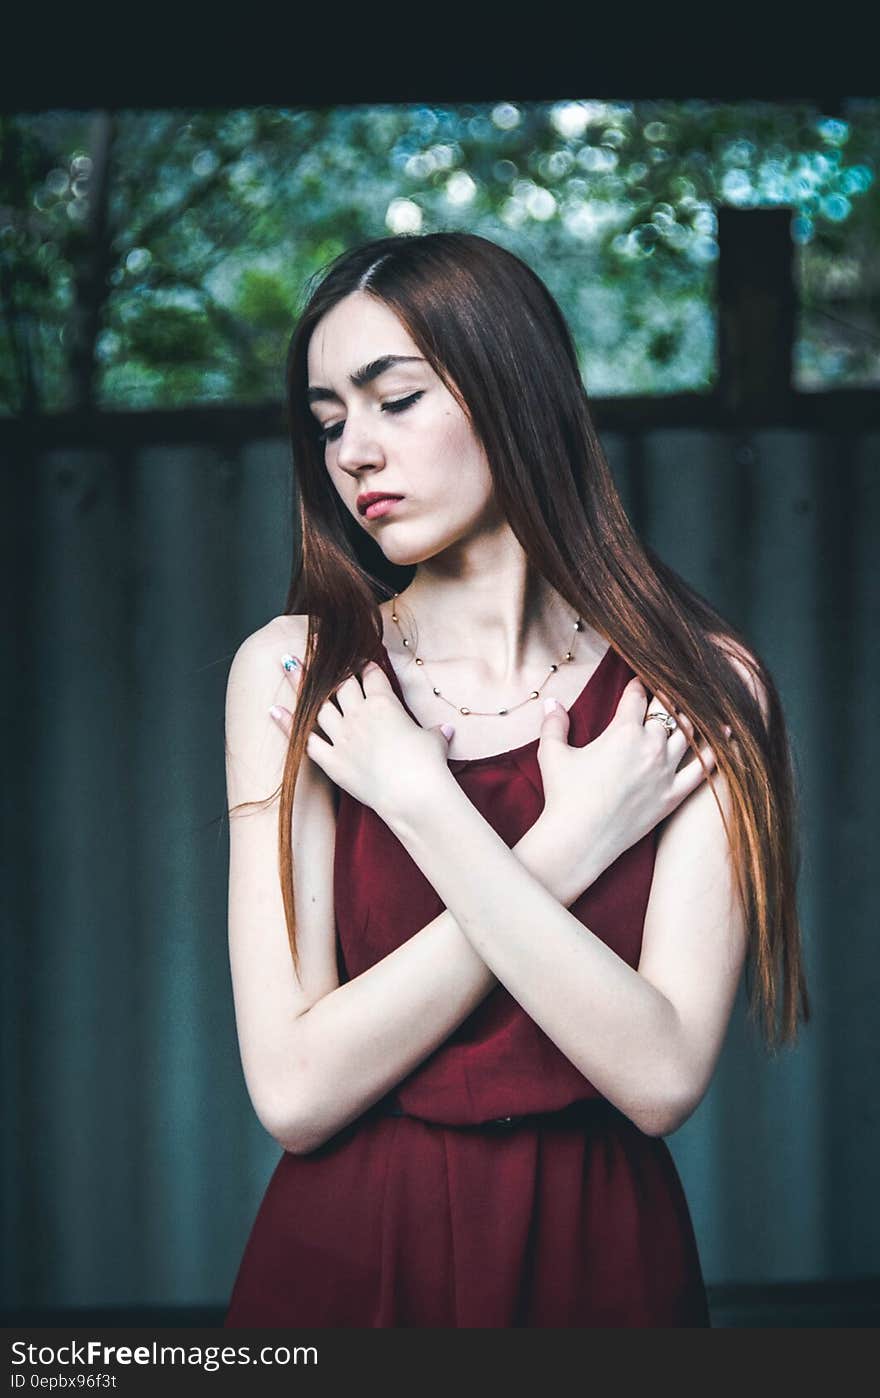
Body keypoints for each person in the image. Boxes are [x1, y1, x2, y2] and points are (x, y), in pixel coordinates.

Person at [222, 231, 809, 1328]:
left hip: (603, 1253)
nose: (353, 452)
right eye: (329, 421)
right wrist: (561, 842)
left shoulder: (699, 685)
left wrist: (424, 807)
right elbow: (294, 1093)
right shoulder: (297, 672)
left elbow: (661, 1075)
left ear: (512, 389)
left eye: (394, 399)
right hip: (353, 1251)